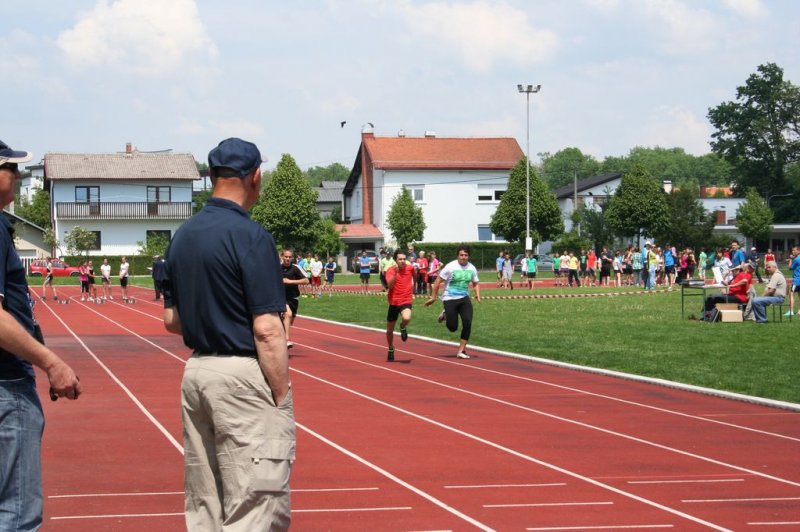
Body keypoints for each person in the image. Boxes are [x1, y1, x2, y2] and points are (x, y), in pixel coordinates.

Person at [162, 138, 295, 530]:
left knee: (206, 504)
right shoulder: (250, 236)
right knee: (255, 504)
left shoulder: (182, 236)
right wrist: (281, 397)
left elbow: (172, 319)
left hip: (198, 372)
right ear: (254, 176)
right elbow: (268, 329)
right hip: (241, 376)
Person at [1, 140, 82, 530]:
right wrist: (51, 362)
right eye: (10, 168)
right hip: (6, 384)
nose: (17, 176)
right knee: (16, 513)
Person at [425, 245, 481, 359]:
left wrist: (477, 295)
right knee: (452, 327)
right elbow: (438, 281)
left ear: (468, 256)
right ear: (457, 255)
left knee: (467, 322)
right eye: (461, 255)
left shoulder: (472, 268)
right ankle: (445, 313)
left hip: (464, 298)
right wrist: (434, 297)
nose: (463, 257)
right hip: (449, 298)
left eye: (466, 255)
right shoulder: (450, 267)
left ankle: (461, 351)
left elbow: (475, 283)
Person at [385, 250, 415, 362]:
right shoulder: (391, 270)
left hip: (406, 299)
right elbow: (390, 285)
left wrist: (415, 289)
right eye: (400, 259)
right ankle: (391, 348)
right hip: (393, 302)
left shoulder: (410, 268)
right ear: (395, 260)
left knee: (407, 318)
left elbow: (415, 276)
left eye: (404, 259)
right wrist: (396, 273)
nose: (402, 261)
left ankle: (402, 326)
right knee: (389, 331)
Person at [281, 248, 309, 349]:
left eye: (289, 257)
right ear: (282, 257)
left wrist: (290, 281)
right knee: (288, 314)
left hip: (294, 297)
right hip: (281, 297)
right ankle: (286, 340)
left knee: (290, 320)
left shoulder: (295, 268)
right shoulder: (276, 268)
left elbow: (306, 281)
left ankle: (281, 336)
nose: (288, 258)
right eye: (286, 256)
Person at [787, 246, 800, 317]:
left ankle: (791, 311)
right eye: (792, 250)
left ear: (799, 251)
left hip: (797, 280)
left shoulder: (796, 259)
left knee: (791, 294)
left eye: (794, 250)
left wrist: (790, 259)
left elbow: (790, 268)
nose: (793, 252)